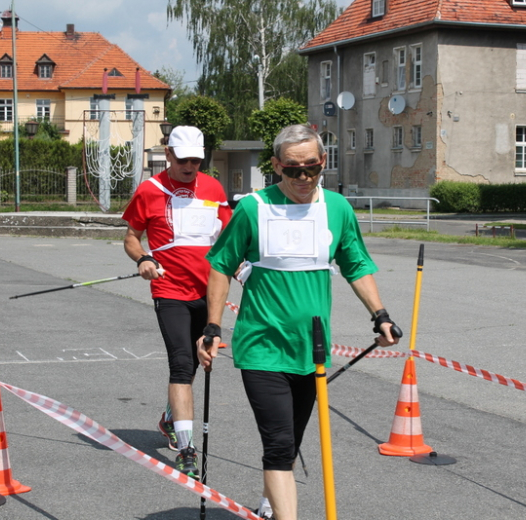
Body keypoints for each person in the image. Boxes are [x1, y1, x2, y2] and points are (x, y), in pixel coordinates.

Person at [198, 124, 400, 520]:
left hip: (313, 350)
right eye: (293, 170)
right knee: (277, 444)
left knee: (289, 445)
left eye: (312, 168)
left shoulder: (337, 209)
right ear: (276, 166)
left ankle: (269, 503)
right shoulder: (253, 208)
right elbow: (221, 266)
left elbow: (355, 264)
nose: (304, 178)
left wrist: (380, 316)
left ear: (323, 163)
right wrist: (212, 326)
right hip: (262, 347)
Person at [122, 125, 232, 478]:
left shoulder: (213, 188)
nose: (190, 166)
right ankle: (187, 448)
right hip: (169, 290)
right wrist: (143, 260)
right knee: (182, 365)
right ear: (167, 154)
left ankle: (170, 418)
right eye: (183, 159)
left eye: (196, 160)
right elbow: (131, 239)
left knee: (197, 362)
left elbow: (230, 238)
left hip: (209, 292)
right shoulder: (149, 191)